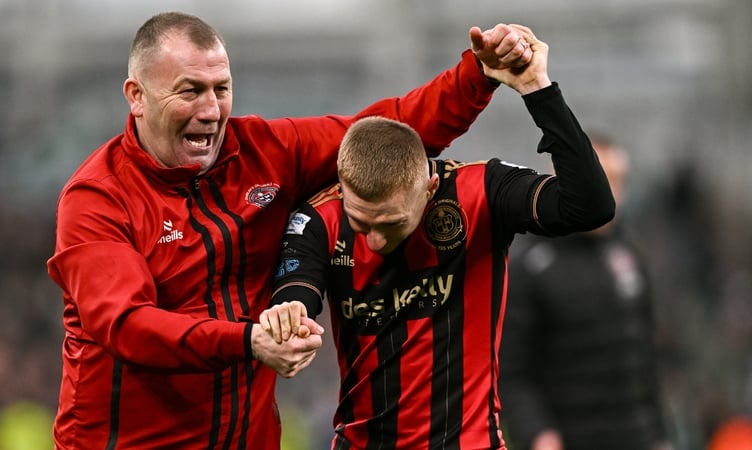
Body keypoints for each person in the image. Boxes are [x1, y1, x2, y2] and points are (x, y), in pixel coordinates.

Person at [46, 10, 533, 450]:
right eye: (190, 90)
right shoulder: (97, 198)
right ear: (137, 96)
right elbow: (128, 325)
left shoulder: (264, 151)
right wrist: (247, 340)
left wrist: (478, 75)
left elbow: (390, 129)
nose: (212, 109)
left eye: (221, 88)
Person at [261, 25, 615, 449]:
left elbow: (590, 206)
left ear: (428, 189)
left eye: (390, 223)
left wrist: (537, 89)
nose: (373, 240)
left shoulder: (480, 193)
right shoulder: (319, 218)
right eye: (361, 222)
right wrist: (289, 316)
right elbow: (296, 290)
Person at [497, 134, 673, 450]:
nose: (612, 194)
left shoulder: (628, 255)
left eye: (620, 182)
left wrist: (660, 435)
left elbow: (644, 359)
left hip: (636, 438)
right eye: (603, 180)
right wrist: (539, 434)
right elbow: (511, 369)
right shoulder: (528, 264)